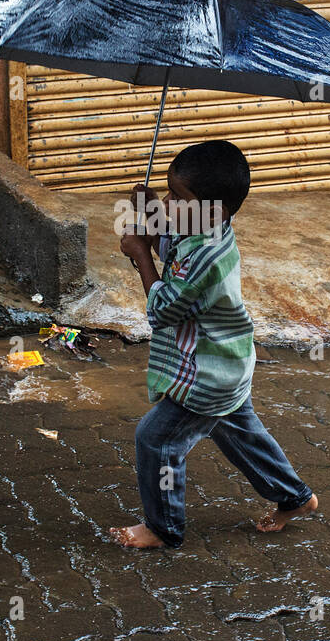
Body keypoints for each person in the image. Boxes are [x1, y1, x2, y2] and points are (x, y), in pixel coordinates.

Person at [111, 140, 317, 549]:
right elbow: (171, 246)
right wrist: (150, 209)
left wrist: (140, 255)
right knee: (240, 432)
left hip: (206, 373)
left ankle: (163, 528)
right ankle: (295, 498)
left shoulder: (208, 253)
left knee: (156, 439)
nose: (170, 204)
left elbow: (164, 309)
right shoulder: (203, 228)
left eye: (178, 198)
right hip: (226, 362)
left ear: (214, 210)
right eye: (169, 193)